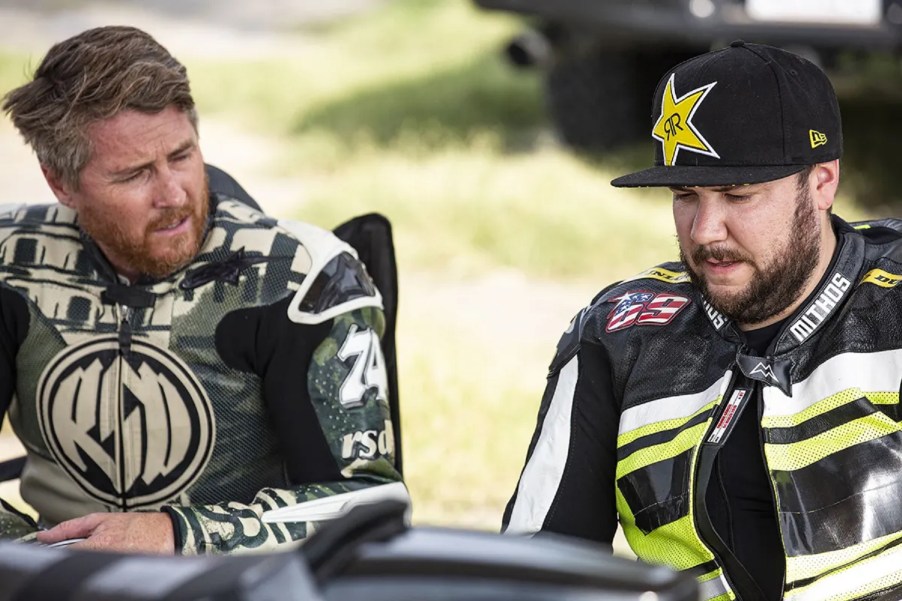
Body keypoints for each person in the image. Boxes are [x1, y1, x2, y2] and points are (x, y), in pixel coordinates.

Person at [502, 40, 902, 601]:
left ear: (822, 184)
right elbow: (536, 572)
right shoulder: (619, 334)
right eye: (685, 195)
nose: (705, 231)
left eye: (738, 195)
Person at [0, 25, 403, 555]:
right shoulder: (9, 259)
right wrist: (33, 551)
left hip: (241, 581)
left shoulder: (304, 278)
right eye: (134, 174)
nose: (174, 194)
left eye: (183, 155)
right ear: (61, 184)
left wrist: (175, 535)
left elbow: (369, 504)